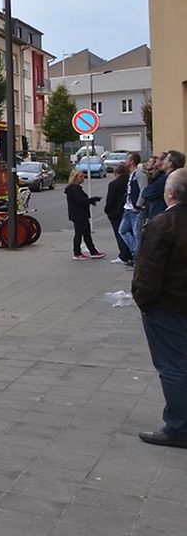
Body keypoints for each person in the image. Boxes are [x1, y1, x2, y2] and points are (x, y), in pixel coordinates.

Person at [132, 168, 187, 448]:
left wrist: (144, 303)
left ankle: (178, 427)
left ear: (171, 193)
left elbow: (148, 273)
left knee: (173, 367)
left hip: (168, 307)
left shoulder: (162, 225)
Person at [65, 170, 105, 261]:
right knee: (79, 234)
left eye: (83, 176)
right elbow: (80, 200)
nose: (83, 178)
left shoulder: (74, 188)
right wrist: (92, 199)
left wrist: (91, 201)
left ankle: (93, 251)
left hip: (80, 214)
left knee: (86, 233)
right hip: (79, 214)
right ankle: (77, 253)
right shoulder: (74, 189)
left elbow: (81, 200)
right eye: (81, 177)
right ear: (75, 178)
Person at [120, 152, 148, 264]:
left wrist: (138, 205)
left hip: (136, 209)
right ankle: (136, 251)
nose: (125, 161)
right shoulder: (131, 174)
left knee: (137, 234)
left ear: (132, 162)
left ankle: (138, 257)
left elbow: (143, 191)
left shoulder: (140, 175)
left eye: (127, 159)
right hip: (128, 207)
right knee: (122, 230)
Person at [105, 159, 134, 266]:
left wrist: (107, 210)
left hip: (116, 212)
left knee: (120, 233)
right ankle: (132, 252)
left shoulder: (114, 184)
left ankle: (124, 255)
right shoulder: (130, 181)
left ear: (115, 172)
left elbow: (110, 200)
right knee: (130, 233)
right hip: (129, 210)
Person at [144, 151, 186, 220]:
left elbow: (146, 193)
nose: (163, 162)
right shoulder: (182, 177)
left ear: (170, 164)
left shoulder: (166, 179)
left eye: (165, 159)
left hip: (162, 215)